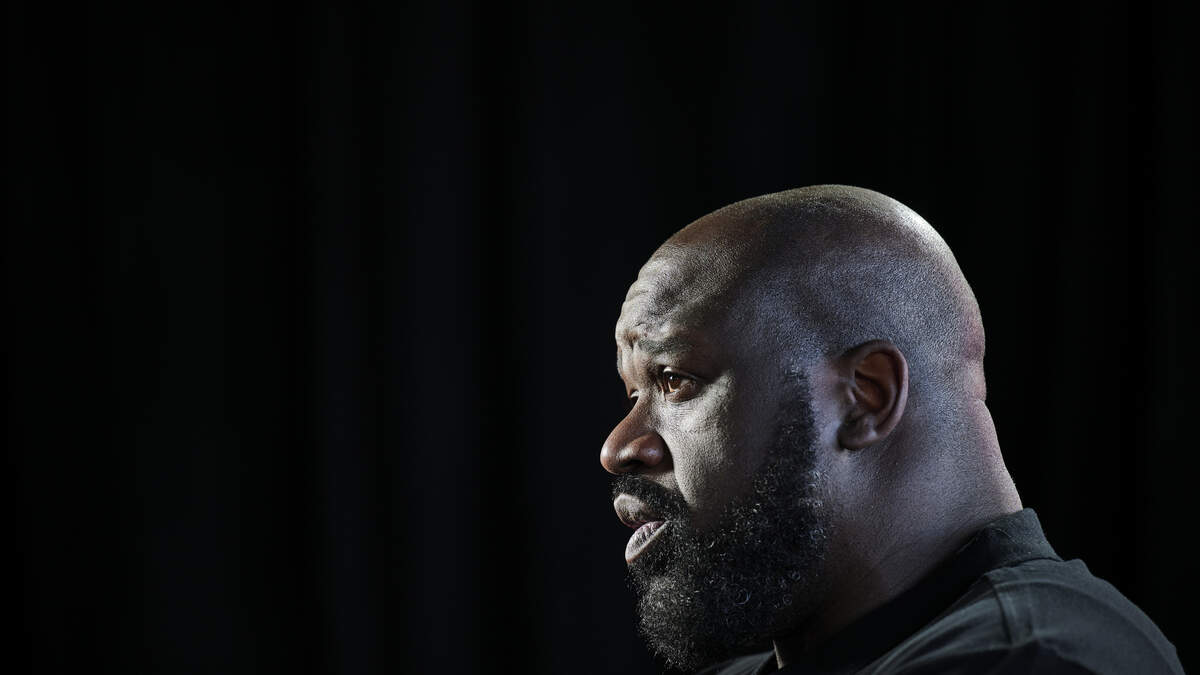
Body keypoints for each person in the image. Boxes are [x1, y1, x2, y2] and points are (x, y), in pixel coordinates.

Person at [600, 186, 1184, 674]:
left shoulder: (1025, 660)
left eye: (674, 379)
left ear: (865, 398)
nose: (618, 447)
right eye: (633, 394)